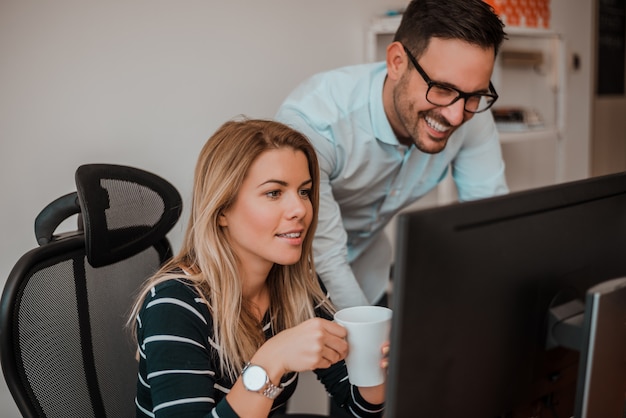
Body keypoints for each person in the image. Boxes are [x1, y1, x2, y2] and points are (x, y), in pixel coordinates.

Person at [127, 118, 387, 418]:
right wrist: (272, 360)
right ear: (222, 209)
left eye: (304, 191)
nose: (300, 209)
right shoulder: (174, 305)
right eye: (274, 193)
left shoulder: (297, 288)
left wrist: (377, 365)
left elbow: (358, 406)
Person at [275, 0, 509, 311]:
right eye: (441, 89)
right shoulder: (316, 123)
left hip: (368, 275)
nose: (455, 116)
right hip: (291, 284)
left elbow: (490, 224)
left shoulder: (472, 115)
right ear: (397, 62)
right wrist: (372, 339)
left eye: (474, 95)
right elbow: (327, 259)